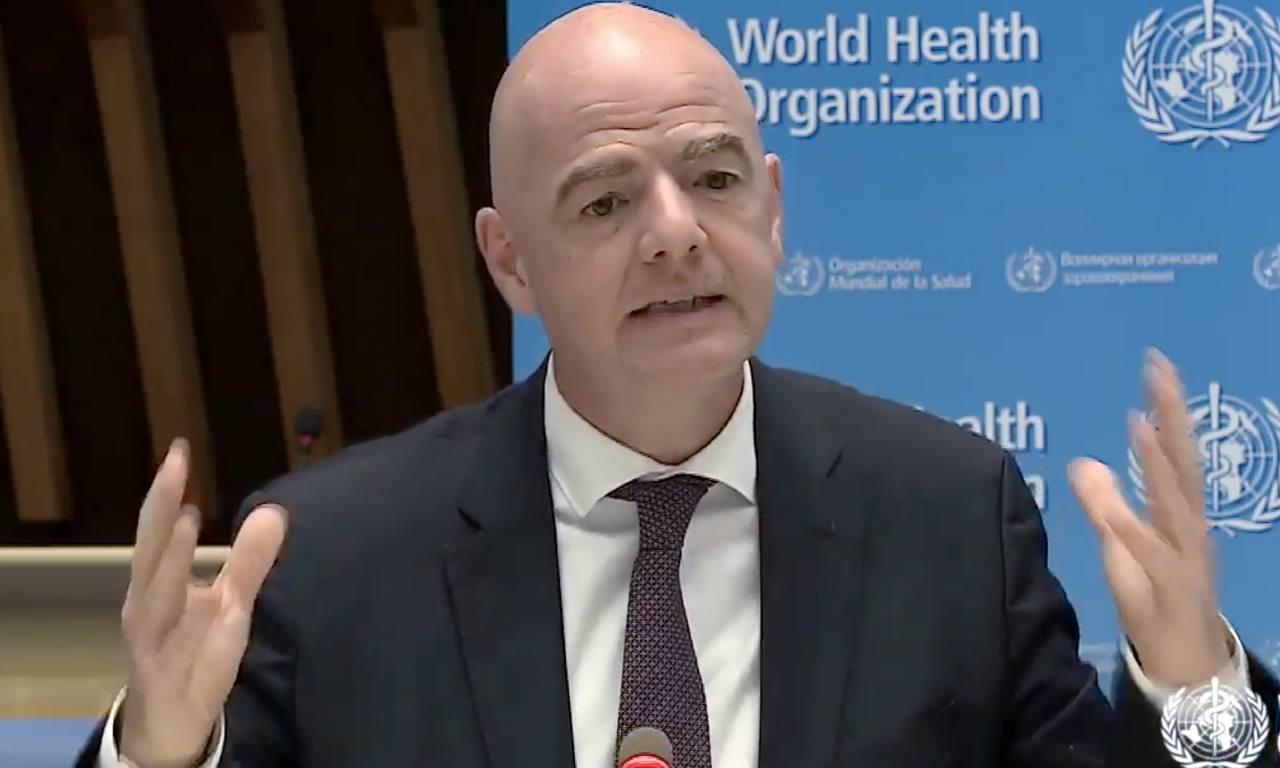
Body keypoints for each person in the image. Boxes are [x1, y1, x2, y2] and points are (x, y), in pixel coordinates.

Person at [80, 3, 1277, 767]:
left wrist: (1191, 686)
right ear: (509, 261)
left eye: (712, 180)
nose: (675, 234)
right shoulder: (336, 558)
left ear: (771, 205)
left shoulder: (947, 514)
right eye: (605, 201)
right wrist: (160, 758)